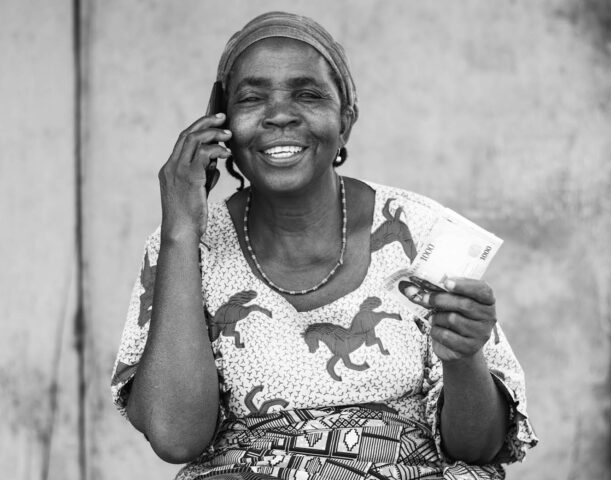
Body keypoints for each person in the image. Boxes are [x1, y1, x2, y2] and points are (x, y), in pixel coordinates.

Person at [111, 11, 537, 480]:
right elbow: (175, 438)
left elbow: (476, 448)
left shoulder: (419, 230)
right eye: (252, 99)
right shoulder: (186, 245)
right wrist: (179, 228)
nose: (279, 115)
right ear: (222, 126)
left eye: (308, 94)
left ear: (345, 121)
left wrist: (465, 359)